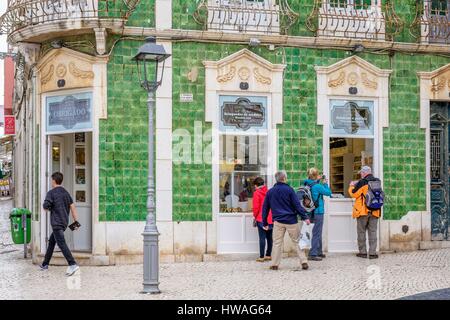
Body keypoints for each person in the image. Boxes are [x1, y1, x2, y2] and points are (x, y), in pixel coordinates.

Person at [262, 170, 311, 271]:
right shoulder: (290, 190)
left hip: (278, 221)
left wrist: (265, 222)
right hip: (291, 221)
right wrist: (305, 217)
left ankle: (275, 264)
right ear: (284, 178)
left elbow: (265, 208)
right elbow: (297, 205)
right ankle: (304, 261)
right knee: (297, 241)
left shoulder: (270, 192)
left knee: (277, 243)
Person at [40, 172, 80, 276]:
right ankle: (45, 264)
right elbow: (73, 208)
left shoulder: (51, 193)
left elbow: (45, 206)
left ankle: (73, 264)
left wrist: (49, 207)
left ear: (53, 180)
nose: (51, 182)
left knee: (62, 244)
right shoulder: (66, 193)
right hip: (64, 223)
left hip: (56, 223)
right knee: (52, 241)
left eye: (51, 180)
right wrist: (76, 223)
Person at [348, 166, 381, 259]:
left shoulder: (362, 182)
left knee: (361, 232)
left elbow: (353, 194)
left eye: (361, 173)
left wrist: (351, 186)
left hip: (363, 211)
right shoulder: (377, 181)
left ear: (364, 173)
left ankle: (362, 252)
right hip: (375, 211)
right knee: (373, 232)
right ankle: (372, 253)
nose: (360, 174)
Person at [303, 168, 332, 261]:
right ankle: (313, 253)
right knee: (317, 232)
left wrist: (318, 180)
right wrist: (325, 183)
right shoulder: (318, 186)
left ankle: (319, 251)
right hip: (318, 211)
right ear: (316, 175)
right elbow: (328, 193)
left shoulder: (307, 184)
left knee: (317, 231)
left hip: (310, 211)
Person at [252, 177, 273, 262]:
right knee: (269, 238)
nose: (254, 187)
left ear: (256, 185)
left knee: (262, 238)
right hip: (270, 218)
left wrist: (255, 216)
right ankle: (268, 255)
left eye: (255, 186)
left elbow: (256, 207)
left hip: (261, 218)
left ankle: (261, 256)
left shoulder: (257, 193)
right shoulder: (269, 192)